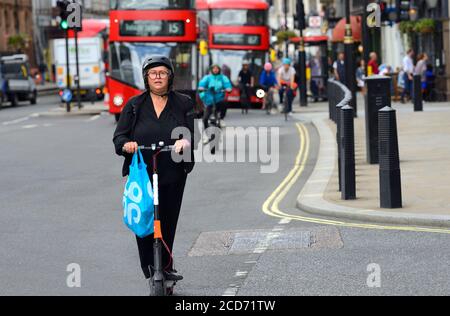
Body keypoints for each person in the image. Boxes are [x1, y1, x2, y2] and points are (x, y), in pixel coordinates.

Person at [113, 55, 196, 287]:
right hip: (142, 174)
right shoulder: (134, 105)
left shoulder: (183, 103)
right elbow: (119, 136)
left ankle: (166, 267)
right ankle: (151, 268)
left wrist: (184, 142)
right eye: (153, 73)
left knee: (167, 221)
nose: (157, 77)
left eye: (162, 72)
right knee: (145, 222)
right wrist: (125, 145)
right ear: (146, 78)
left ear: (169, 76)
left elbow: (190, 133)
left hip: (172, 172)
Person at [198, 64, 232, 141]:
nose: (215, 70)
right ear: (211, 69)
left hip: (219, 100)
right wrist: (201, 88)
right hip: (209, 101)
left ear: (219, 69)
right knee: (205, 119)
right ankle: (207, 135)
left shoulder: (223, 78)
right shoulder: (207, 77)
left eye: (217, 68)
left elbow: (227, 85)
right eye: (214, 68)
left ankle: (222, 119)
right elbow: (201, 85)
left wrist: (228, 88)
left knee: (225, 104)